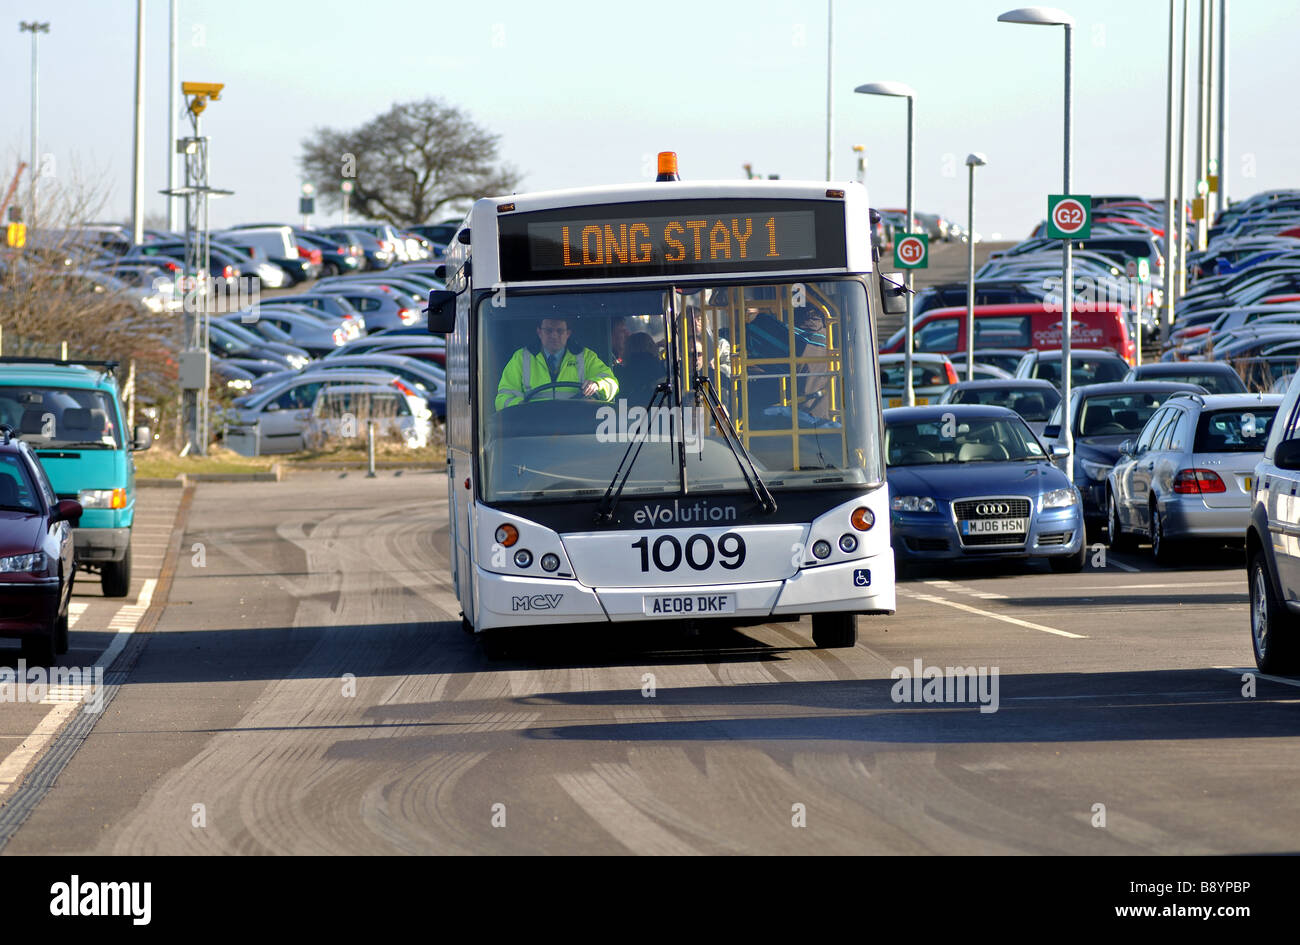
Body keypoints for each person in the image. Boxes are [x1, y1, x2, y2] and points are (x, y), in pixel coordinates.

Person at [495, 317, 619, 409]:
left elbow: (611, 382)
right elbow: (503, 398)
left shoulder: (586, 357)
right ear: (539, 332)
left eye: (559, 331)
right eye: (549, 330)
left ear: (568, 333)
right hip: (533, 431)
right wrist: (522, 407)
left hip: (577, 431)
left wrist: (597, 384)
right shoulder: (520, 358)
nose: (554, 335)